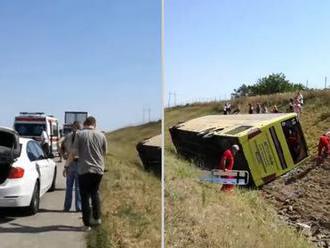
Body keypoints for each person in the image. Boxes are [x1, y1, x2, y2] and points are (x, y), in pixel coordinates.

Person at [72, 116, 107, 231]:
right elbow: (104, 152)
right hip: (98, 170)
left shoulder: (79, 134)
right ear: (94, 124)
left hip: (84, 170)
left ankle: (87, 224)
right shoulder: (101, 135)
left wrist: (73, 160)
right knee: (95, 193)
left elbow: (74, 151)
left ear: (85, 124)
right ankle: (97, 219)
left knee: (84, 196)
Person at [61, 121, 82, 212]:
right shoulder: (82, 136)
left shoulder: (68, 136)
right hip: (78, 163)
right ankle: (78, 207)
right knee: (77, 187)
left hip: (70, 163)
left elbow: (61, 146)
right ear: (79, 127)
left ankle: (67, 207)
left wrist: (63, 155)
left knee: (69, 187)